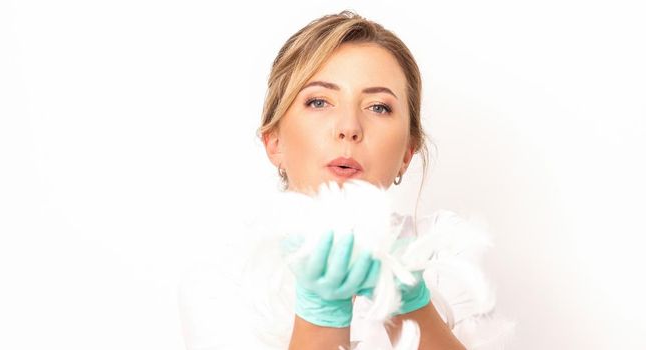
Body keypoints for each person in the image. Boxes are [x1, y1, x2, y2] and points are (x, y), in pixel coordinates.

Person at [178, 10, 510, 350]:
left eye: (379, 107)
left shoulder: (446, 253)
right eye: (319, 101)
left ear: (407, 154)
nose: (349, 127)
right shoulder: (221, 275)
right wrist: (320, 314)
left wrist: (410, 306)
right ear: (274, 142)